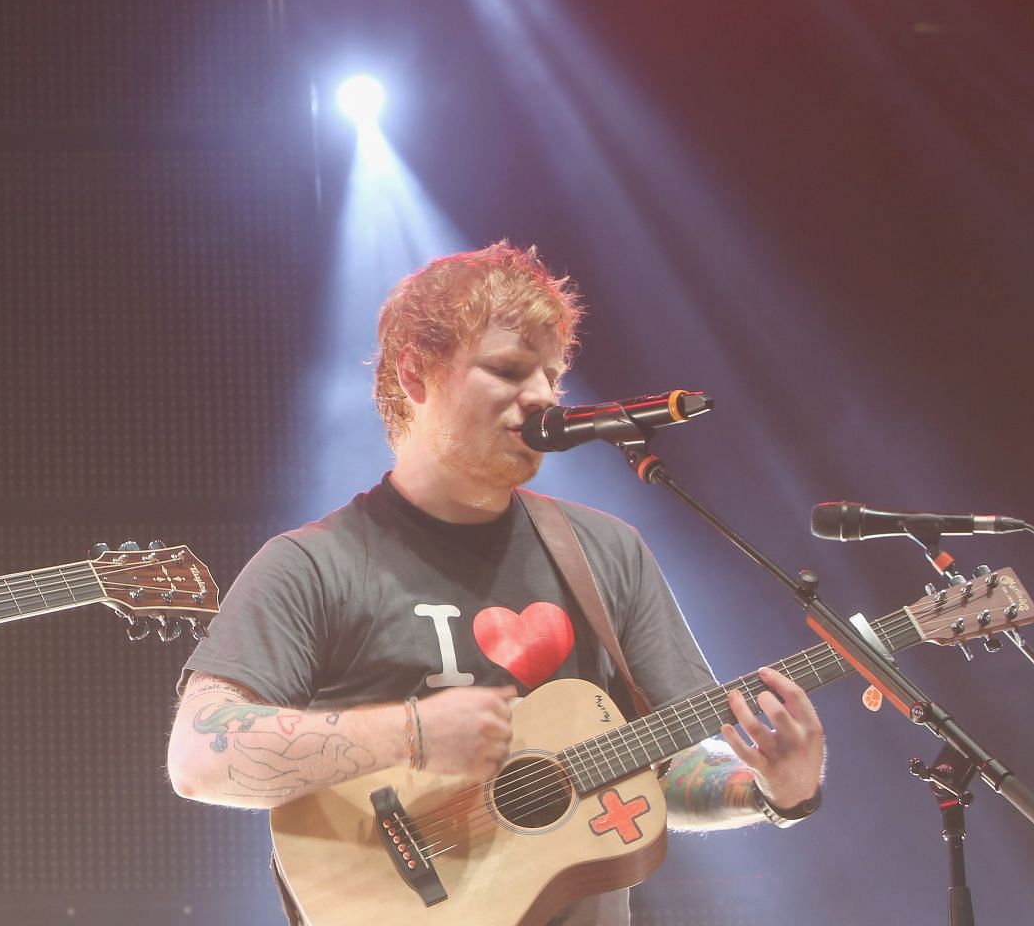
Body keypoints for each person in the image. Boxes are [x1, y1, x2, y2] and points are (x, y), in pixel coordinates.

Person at [166, 242, 824, 926]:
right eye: (509, 370)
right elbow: (199, 757)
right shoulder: (312, 565)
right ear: (417, 375)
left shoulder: (607, 552)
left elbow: (670, 768)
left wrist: (770, 790)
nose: (541, 396)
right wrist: (411, 734)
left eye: (552, 375)